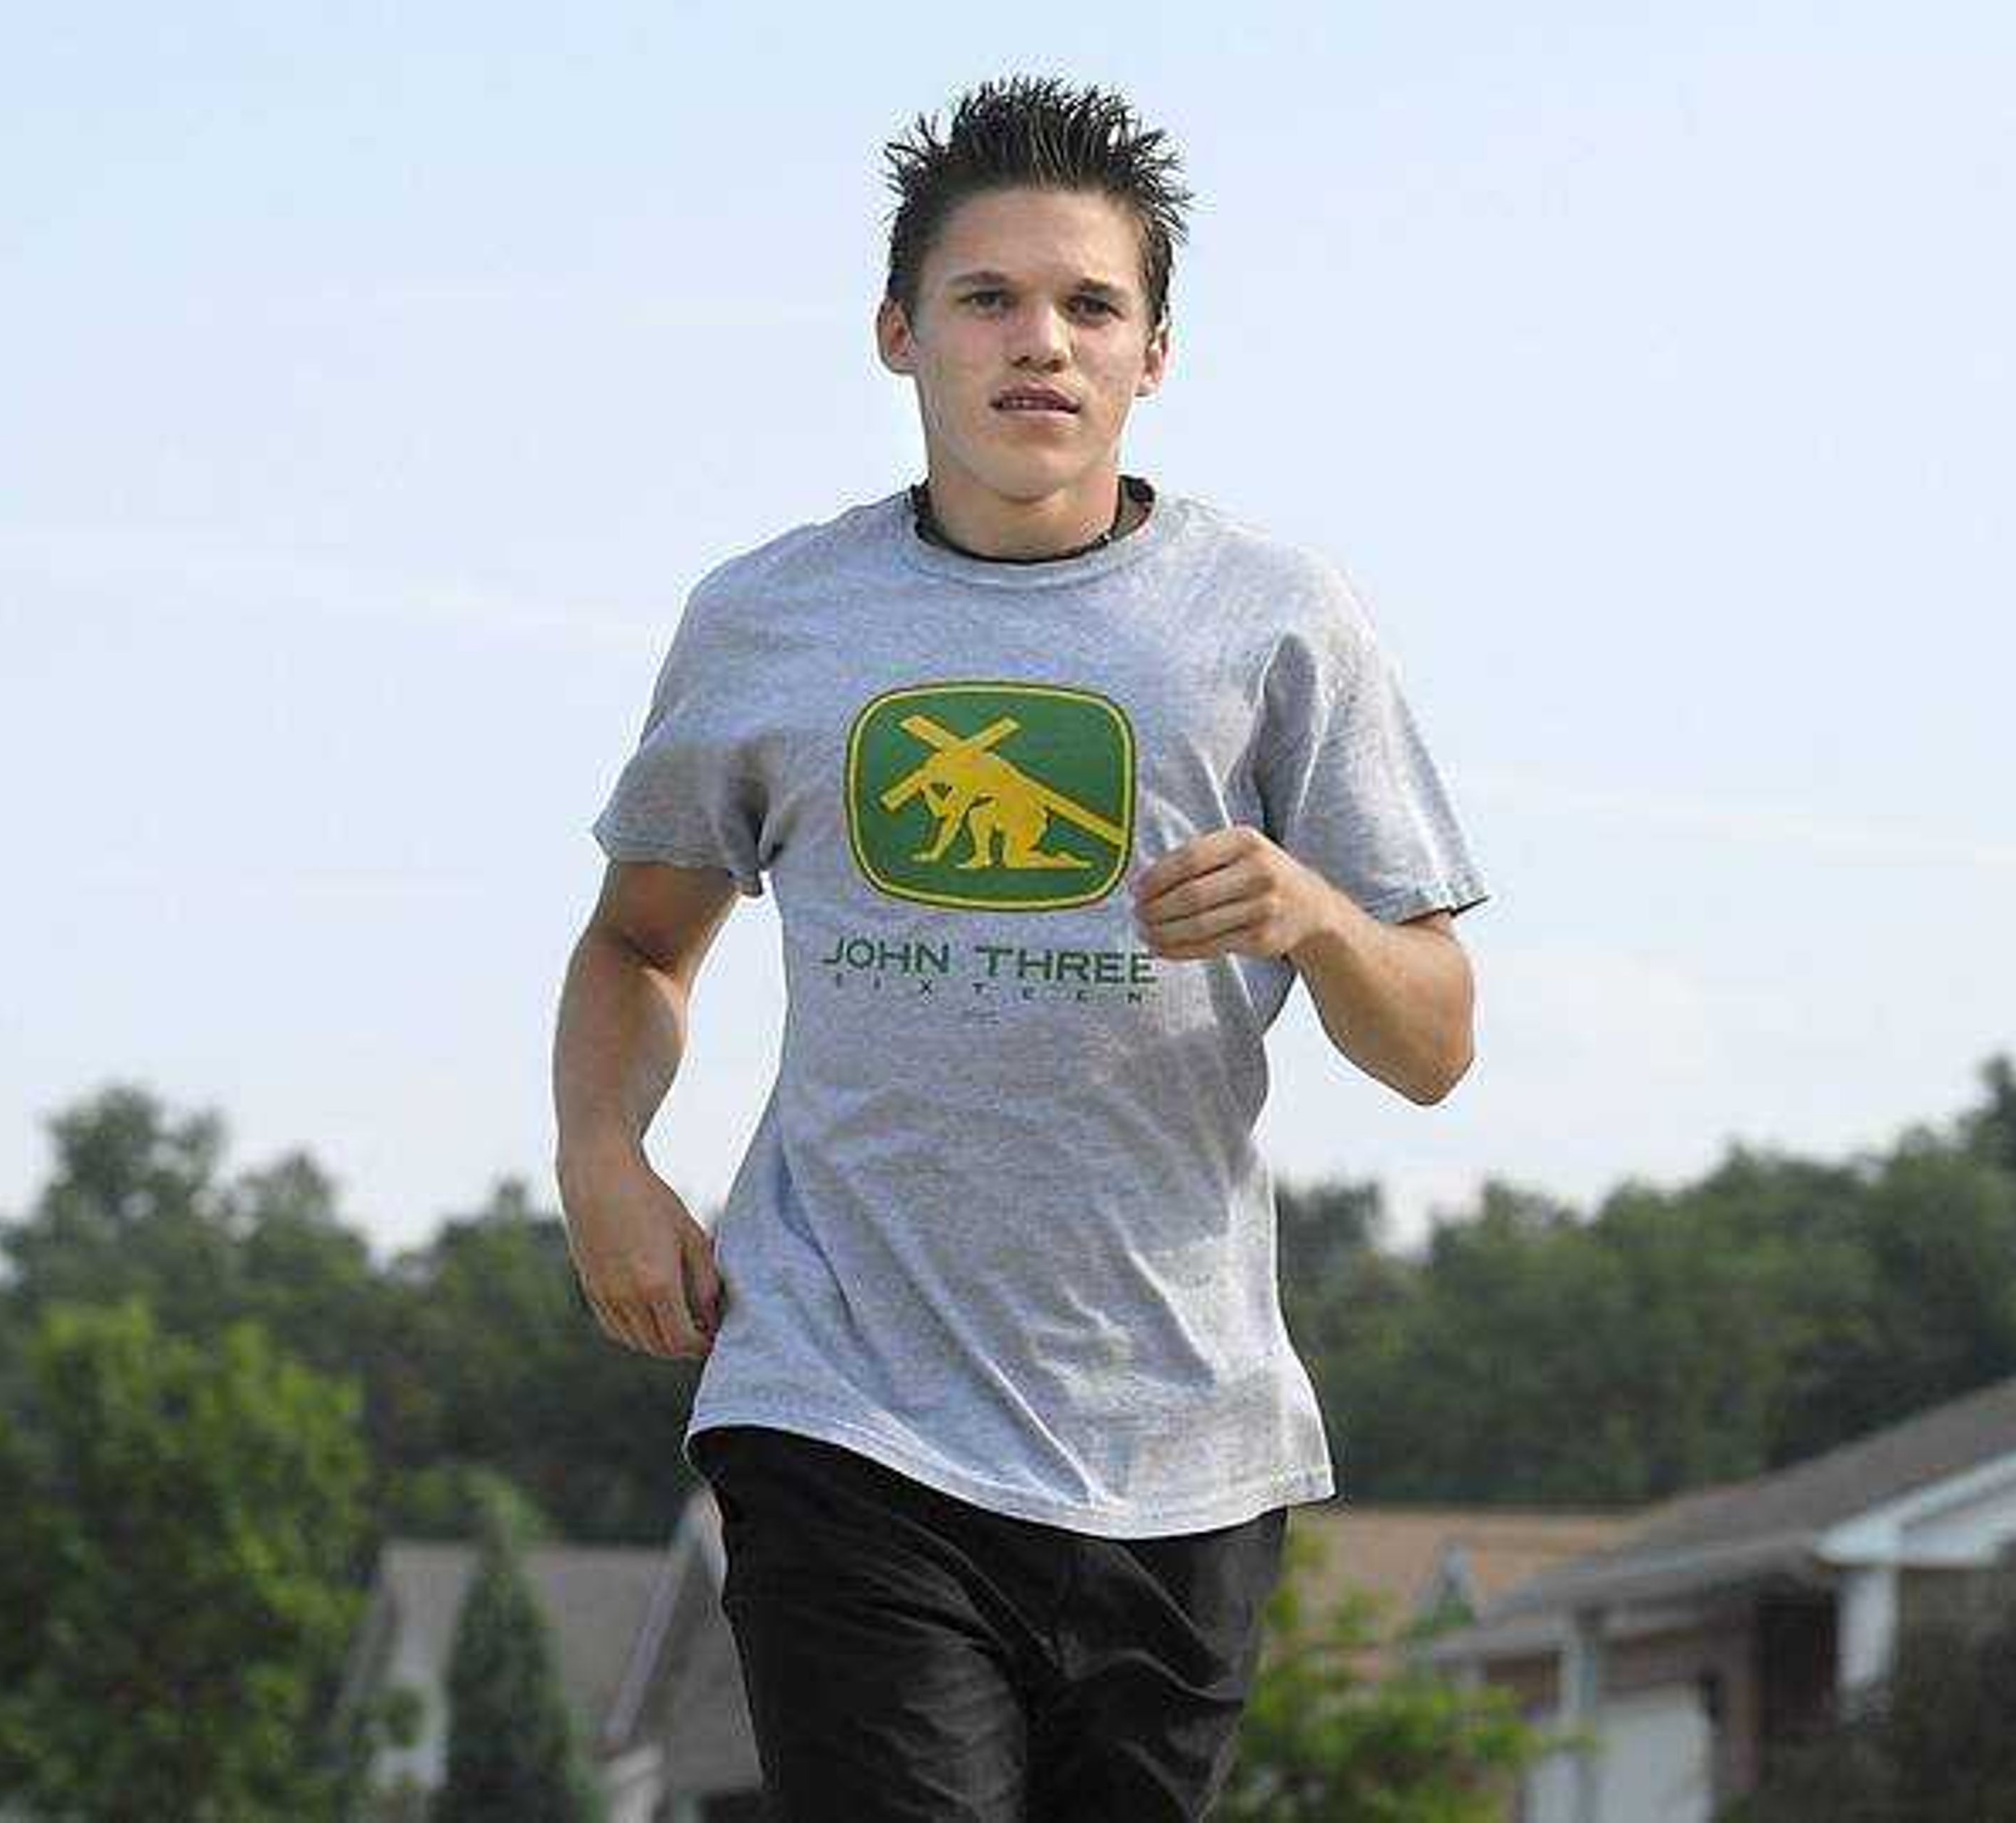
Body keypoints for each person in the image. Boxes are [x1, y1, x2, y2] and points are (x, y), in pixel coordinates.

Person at [550, 71, 1489, 1822]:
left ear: (1154, 355)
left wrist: (1317, 911)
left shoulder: (1276, 622)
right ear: (899, 333)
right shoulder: (771, 621)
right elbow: (638, 942)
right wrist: (602, 1155)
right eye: (987, 297)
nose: (1038, 341)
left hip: (1176, 1437)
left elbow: (1433, 1039)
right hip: (842, 1398)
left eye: (1089, 305)